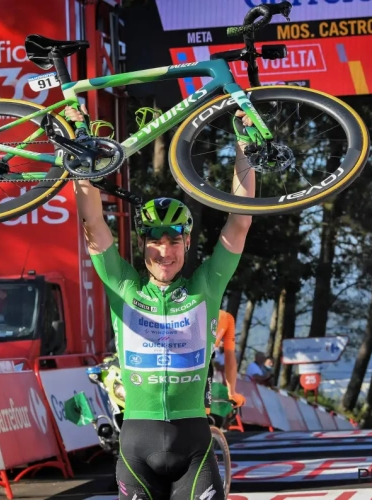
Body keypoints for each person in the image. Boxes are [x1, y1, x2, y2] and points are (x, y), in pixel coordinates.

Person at [65, 104, 254, 500]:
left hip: (193, 447)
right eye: (155, 240)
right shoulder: (124, 287)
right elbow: (92, 223)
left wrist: (243, 147)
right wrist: (82, 149)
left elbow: (240, 220)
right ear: (142, 243)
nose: (164, 252)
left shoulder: (205, 286)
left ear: (187, 242)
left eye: (173, 241)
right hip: (138, 445)